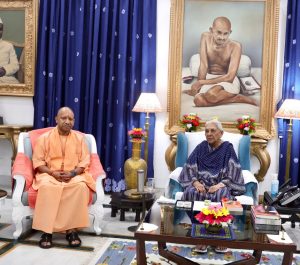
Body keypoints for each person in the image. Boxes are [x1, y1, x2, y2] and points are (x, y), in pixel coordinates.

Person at [32, 107, 96, 249]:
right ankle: (46, 232)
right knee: (47, 187)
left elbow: (85, 162)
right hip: (49, 174)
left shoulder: (80, 139)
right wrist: (52, 173)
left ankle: (72, 230)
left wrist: (73, 173)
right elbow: (38, 162)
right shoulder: (44, 138)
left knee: (80, 186)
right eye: (64, 118)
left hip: (73, 175)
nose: (67, 121)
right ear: (56, 119)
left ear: (74, 121)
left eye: (71, 119)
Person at [178, 119, 245, 253]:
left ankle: (219, 237)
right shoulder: (201, 147)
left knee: (222, 195)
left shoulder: (227, 148)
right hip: (201, 184)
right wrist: (196, 182)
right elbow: (189, 167)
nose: (209, 134)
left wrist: (220, 185)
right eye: (207, 131)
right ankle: (199, 233)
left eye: (212, 131)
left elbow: (234, 171)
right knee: (191, 193)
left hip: (220, 184)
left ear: (221, 133)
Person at [183, 16, 257, 107]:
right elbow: (203, 65)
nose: (222, 37)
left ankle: (239, 98)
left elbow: (229, 77)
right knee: (198, 100)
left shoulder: (236, 46)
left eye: (225, 34)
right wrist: (198, 85)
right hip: (209, 78)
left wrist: (201, 82)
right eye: (219, 32)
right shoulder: (205, 37)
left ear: (230, 32)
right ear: (211, 30)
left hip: (227, 80)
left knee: (211, 94)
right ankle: (235, 99)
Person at [0, 17, 20, 84]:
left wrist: (4, 70)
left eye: (1, 29)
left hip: (5, 78)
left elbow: (15, 65)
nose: (0, 31)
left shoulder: (8, 46)